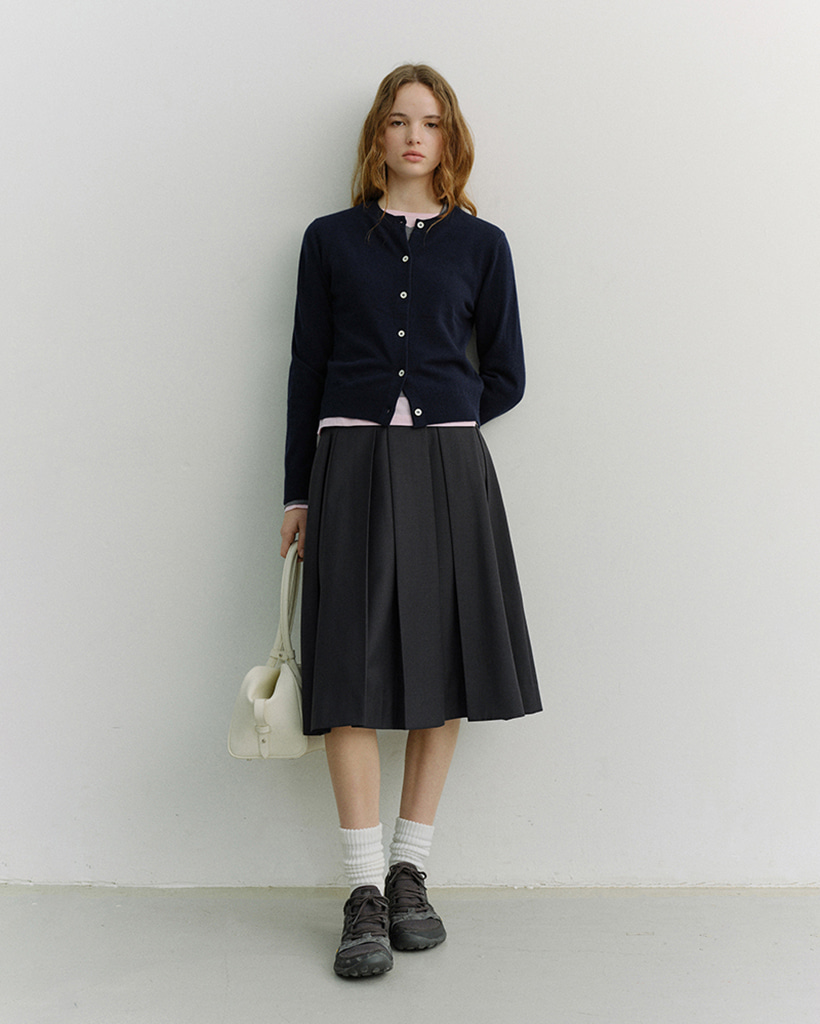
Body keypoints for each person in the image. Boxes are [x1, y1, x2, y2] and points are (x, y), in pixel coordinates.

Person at [279, 64, 542, 979]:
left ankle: (409, 872)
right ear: (378, 137)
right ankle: (361, 889)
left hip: (448, 469)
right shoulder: (328, 241)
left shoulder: (482, 245)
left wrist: (443, 420)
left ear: (449, 137)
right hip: (347, 467)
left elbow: (506, 372)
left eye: (430, 122)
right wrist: (297, 494)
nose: (414, 136)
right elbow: (305, 371)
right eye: (398, 121)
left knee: (445, 660)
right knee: (346, 669)